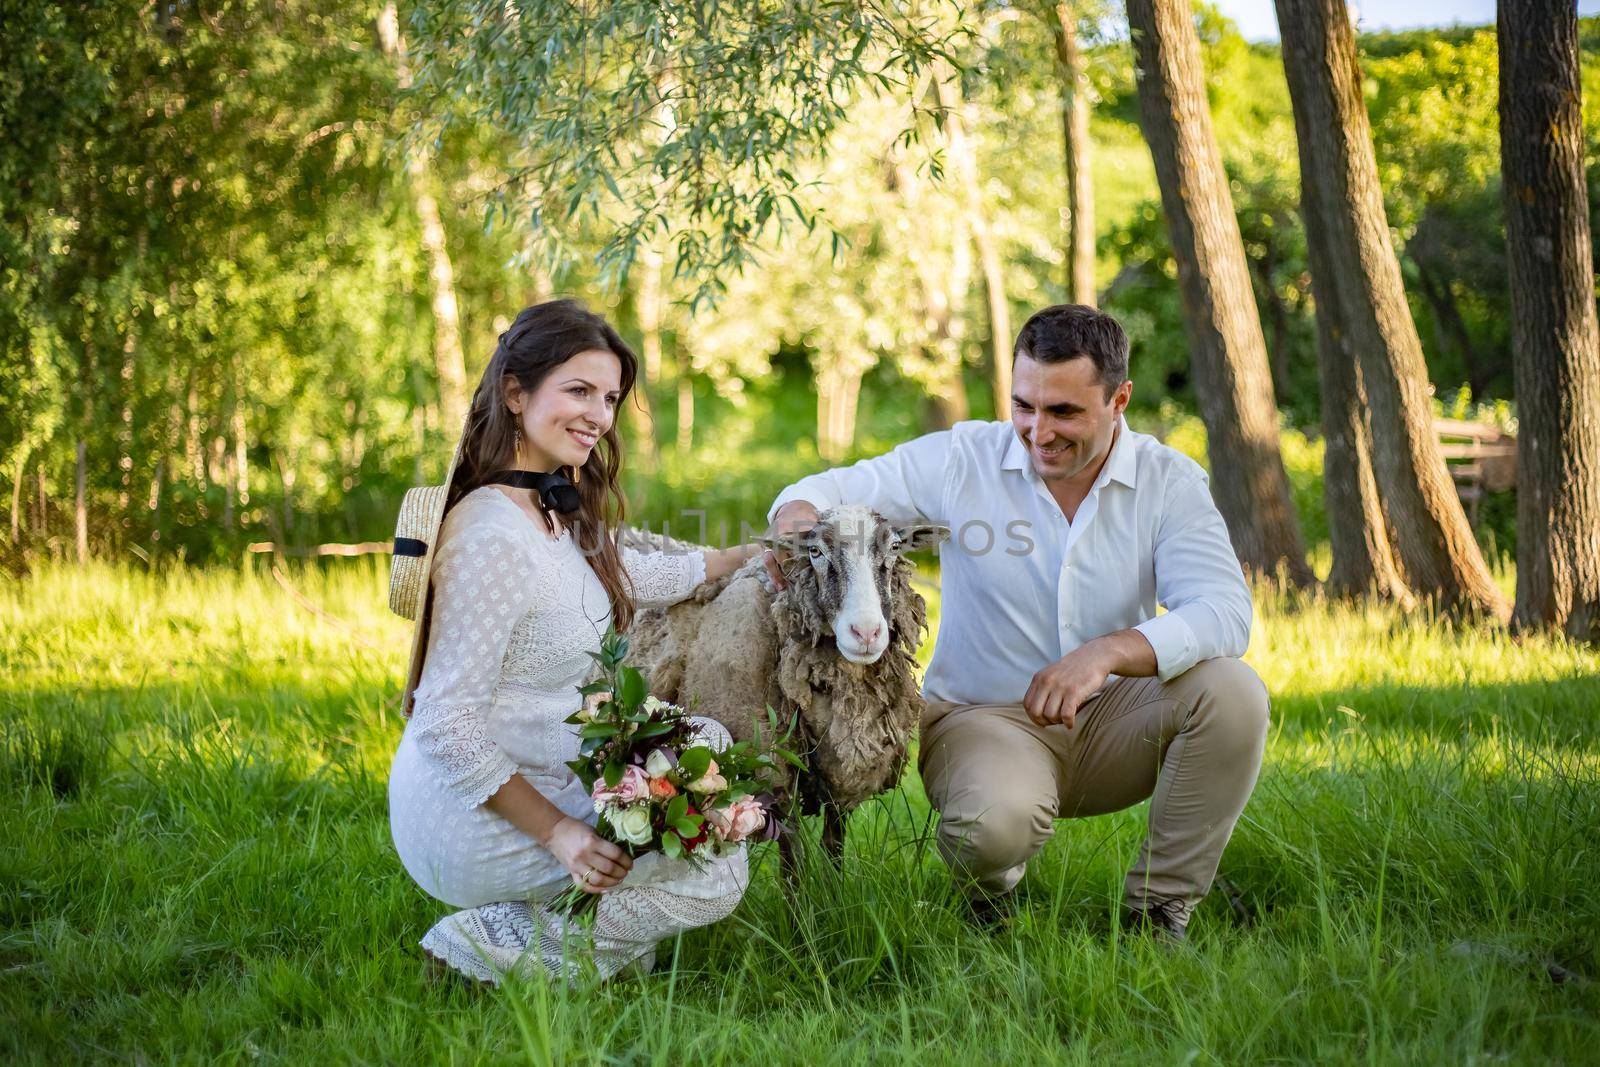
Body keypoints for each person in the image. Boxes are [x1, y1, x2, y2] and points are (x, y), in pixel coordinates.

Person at [763, 304, 1270, 943]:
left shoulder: (1167, 481)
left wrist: (1110, 652)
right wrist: (800, 523)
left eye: (1064, 412)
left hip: (1119, 719)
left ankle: (1158, 912)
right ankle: (991, 890)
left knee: (1233, 692)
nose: (1037, 431)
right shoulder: (962, 459)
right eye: (1024, 405)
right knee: (990, 830)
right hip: (986, 719)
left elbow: (1224, 610)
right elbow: (823, 489)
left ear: (1120, 399)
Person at [386, 299, 762, 984]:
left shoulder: (547, 506)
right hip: (474, 811)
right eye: (579, 390)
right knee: (718, 872)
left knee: (707, 747)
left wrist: (732, 562)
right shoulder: (489, 537)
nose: (600, 414)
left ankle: (585, 938)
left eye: (611, 397)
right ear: (515, 392)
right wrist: (562, 834)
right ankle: (484, 941)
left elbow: (624, 569)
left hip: (549, 764)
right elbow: (443, 721)